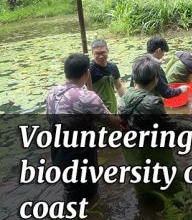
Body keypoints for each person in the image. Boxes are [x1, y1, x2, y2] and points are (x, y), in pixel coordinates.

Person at [46, 53, 119, 202]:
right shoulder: (86, 97)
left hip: (58, 152)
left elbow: (81, 104)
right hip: (79, 157)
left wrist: (89, 85)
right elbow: (115, 123)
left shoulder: (52, 92)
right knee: (87, 197)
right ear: (87, 72)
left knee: (71, 192)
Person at [119, 56, 182, 197]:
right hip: (153, 151)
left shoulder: (124, 97)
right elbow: (168, 127)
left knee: (143, 182)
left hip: (133, 150)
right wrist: (189, 128)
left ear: (134, 78)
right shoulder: (152, 102)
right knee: (170, 183)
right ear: (155, 78)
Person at [88, 39, 125, 113]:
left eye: (103, 53)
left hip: (113, 106)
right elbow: (89, 92)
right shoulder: (89, 70)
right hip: (98, 109)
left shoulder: (113, 67)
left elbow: (119, 86)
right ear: (92, 53)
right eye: (97, 53)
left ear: (107, 51)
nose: (101, 56)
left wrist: (126, 100)